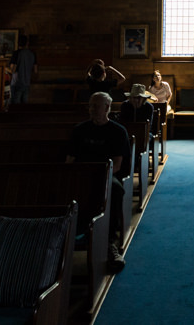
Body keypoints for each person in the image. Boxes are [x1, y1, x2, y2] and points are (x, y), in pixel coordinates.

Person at [67, 92, 130, 273]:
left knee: (116, 190)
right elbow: (70, 158)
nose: (92, 109)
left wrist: (100, 175)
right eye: (91, 105)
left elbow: (117, 165)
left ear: (107, 108)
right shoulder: (80, 130)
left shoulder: (118, 131)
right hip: (80, 174)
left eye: (97, 106)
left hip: (106, 174)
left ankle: (110, 242)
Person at [6, 35, 38, 106]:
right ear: (27, 43)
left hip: (17, 83)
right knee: (24, 107)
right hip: (27, 83)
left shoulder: (17, 53)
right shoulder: (32, 54)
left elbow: (12, 70)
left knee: (14, 107)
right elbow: (35, 71)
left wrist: (3, 67)